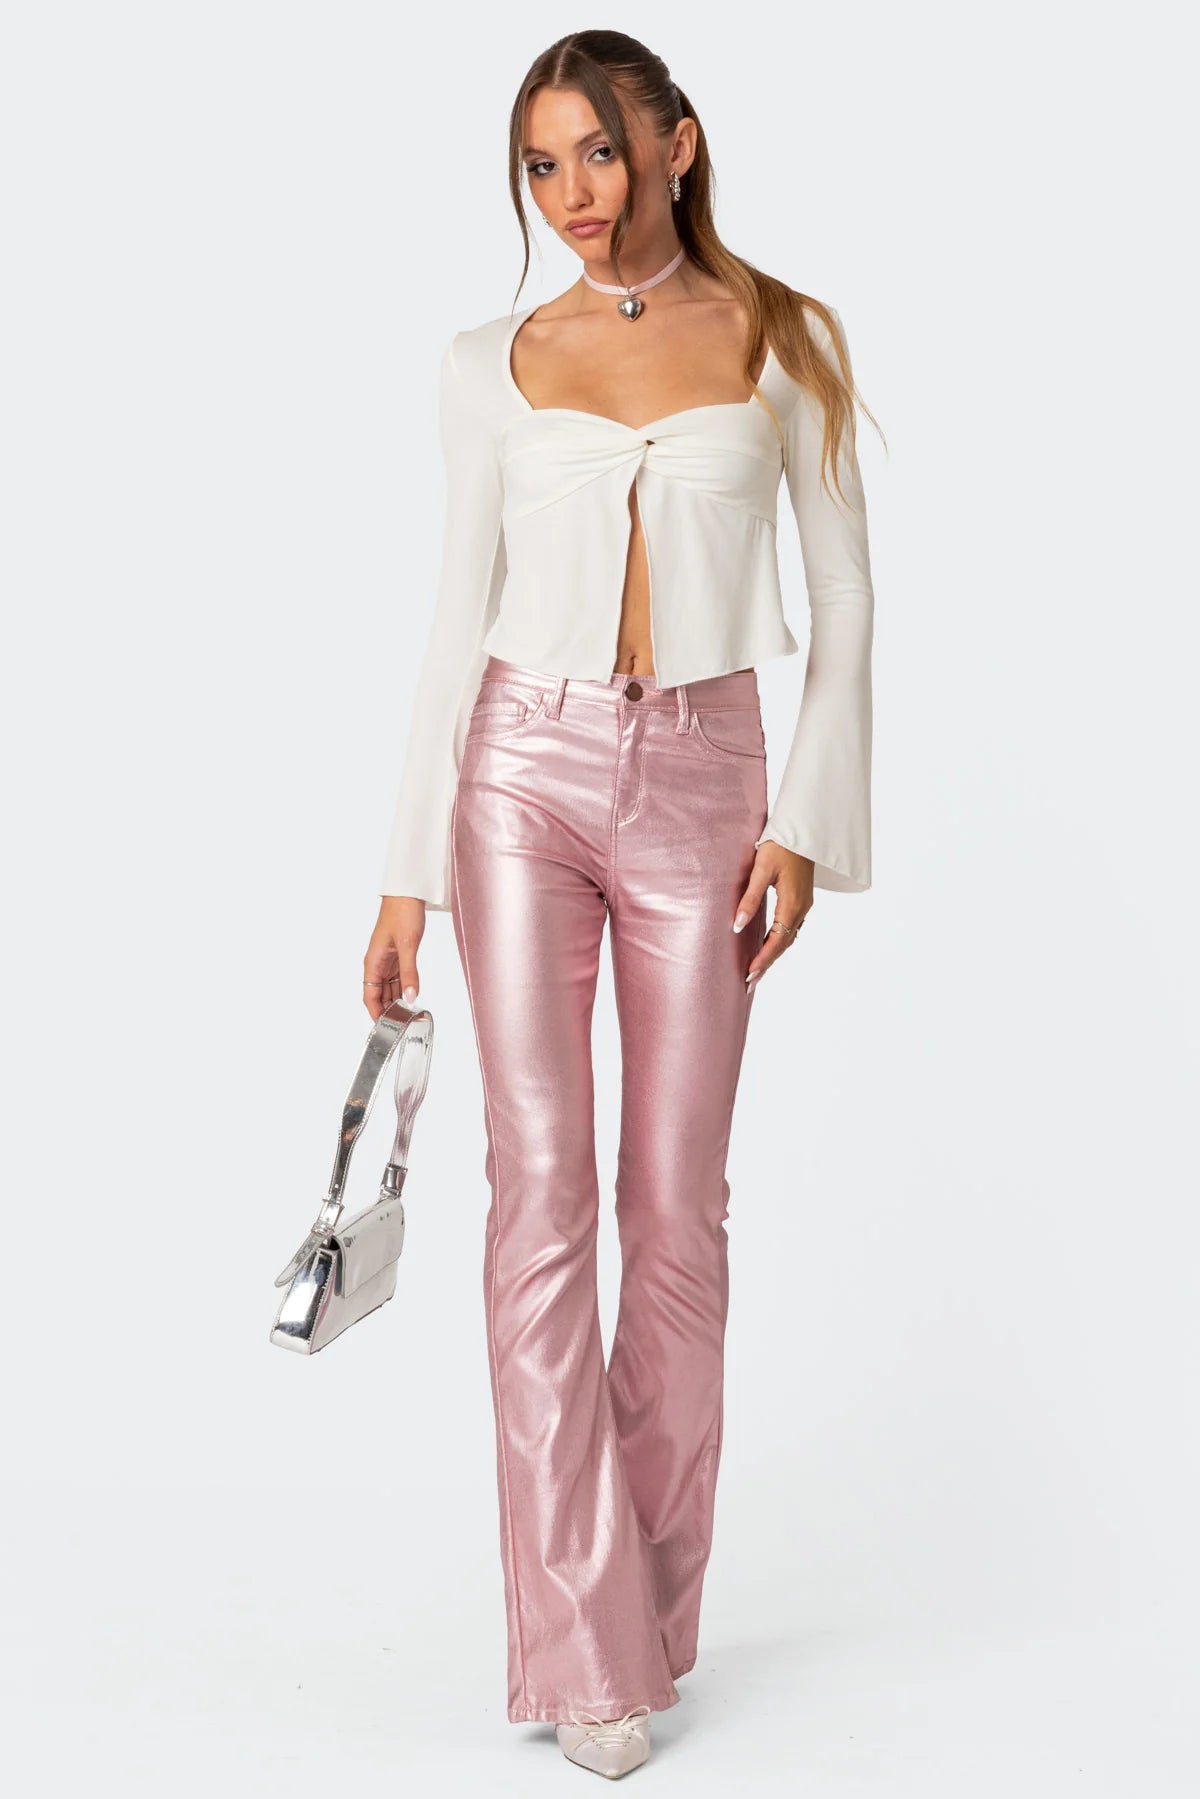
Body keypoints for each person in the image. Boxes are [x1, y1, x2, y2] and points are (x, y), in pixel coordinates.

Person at [363, 28, 878, 1781]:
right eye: (541, 164)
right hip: (521, 772)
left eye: (597, 151)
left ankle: (644, 1615)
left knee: (676, 1214)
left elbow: (845, 599)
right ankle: (587, 1652)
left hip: (710, 785)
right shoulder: (491, 362)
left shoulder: (786, 341)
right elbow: (455, 610)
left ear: (677, 143)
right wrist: (404, 873)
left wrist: (805, 823)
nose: (572, 193)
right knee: (537, 1200)